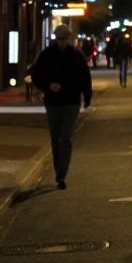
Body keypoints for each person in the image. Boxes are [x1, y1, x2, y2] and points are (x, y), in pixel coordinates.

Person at [31, 25, 93, 190]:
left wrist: (87, 97)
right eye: (60, 39)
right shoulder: (46, 55)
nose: (62, 42)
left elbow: (85, 77)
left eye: (65, 39)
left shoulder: (76, 56)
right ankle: (58, 168)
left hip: (71, 101)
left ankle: (61, 175)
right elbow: (36, 75)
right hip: (53, 102)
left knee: (65, 136)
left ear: (69, 39)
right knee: (55, 136)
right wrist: (48, 85)